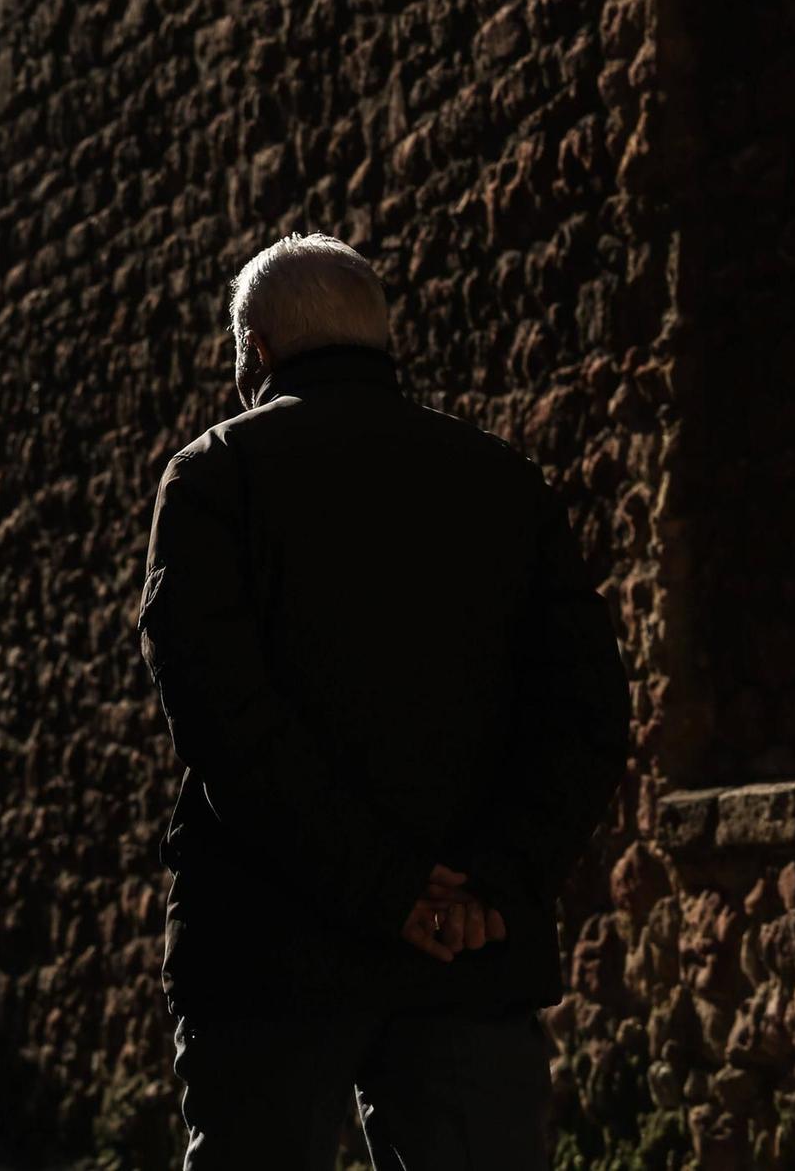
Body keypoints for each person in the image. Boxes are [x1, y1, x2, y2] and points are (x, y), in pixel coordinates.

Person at [136, 233, 630, 1169]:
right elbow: (589, 710)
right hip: (468, 957)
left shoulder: (214, 476)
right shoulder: (505, 484)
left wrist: (382, 885)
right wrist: (491, 877)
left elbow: (222, 719)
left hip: (271, 953)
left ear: (258, 351)